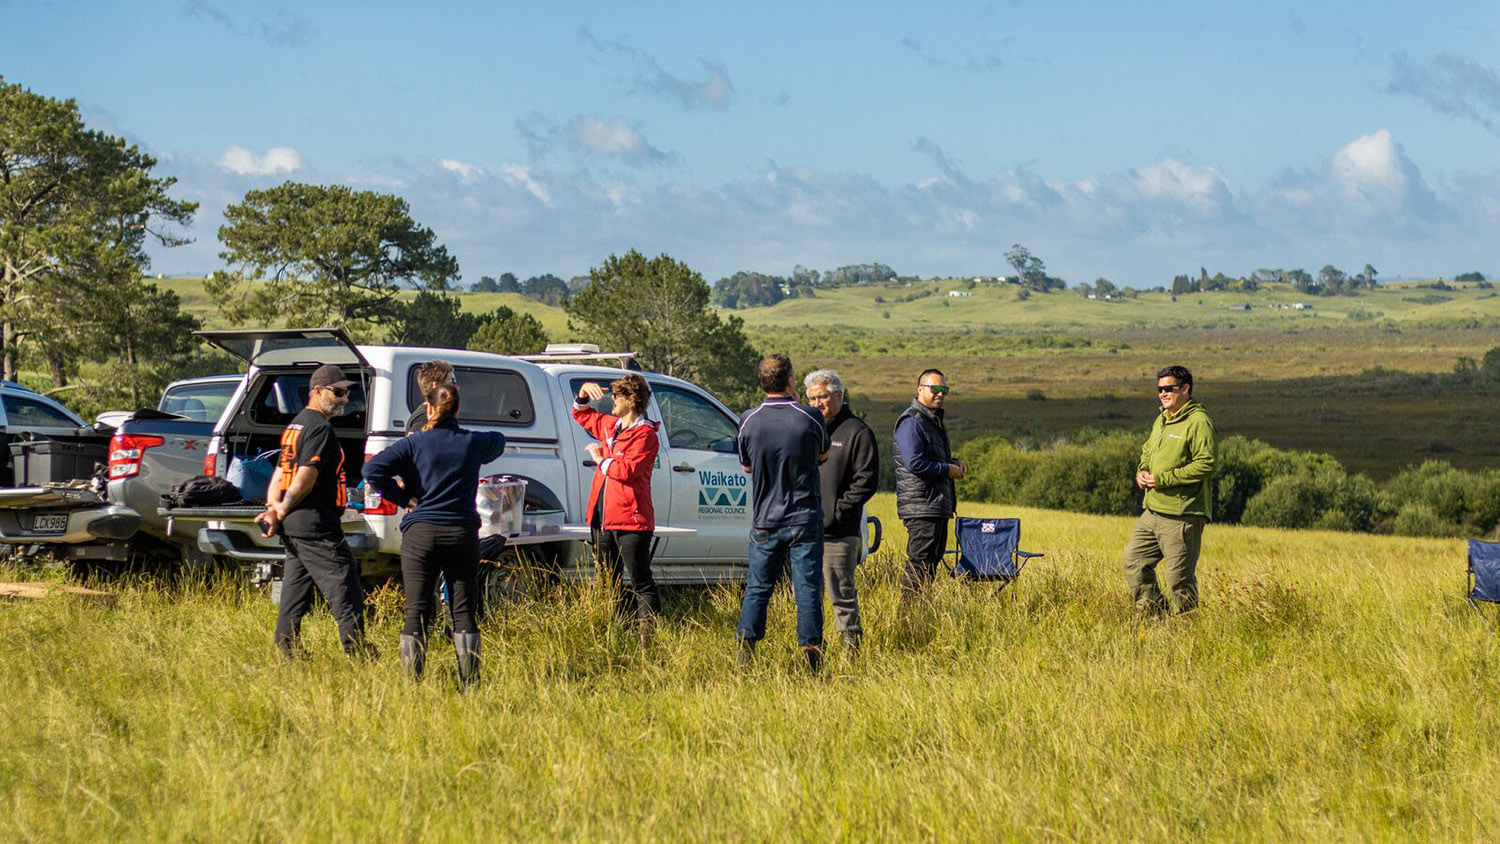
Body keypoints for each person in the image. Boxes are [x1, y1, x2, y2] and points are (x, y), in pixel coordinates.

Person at [361, 382, 506, 688]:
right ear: (456, 409)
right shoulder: (473, 443)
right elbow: (499, 440)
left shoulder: (414, 444)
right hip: (462, 534)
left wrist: (405, 500)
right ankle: (470, 685)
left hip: (421, 532)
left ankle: (413, 685)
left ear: (428, 408)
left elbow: (372, 470)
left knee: (417, 610)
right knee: (464, 611)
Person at [256, 364, 370, 658]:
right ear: (318, 391)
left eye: (346, 393)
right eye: (338, 392)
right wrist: (279, 509)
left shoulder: (296, 425)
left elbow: (281, 471)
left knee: (295, 591)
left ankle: (287, 648)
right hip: (315, 524)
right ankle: (358, 654)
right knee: (345, 587)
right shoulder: (319, 427)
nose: (345, 399)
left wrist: (274, 508)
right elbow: (305, 476)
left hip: (296, 524)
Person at [735, 353, 830, 673]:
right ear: (790, 381)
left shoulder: (749, 419)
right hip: (803, 515)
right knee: (807, 588)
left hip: (765, 517)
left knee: (758, 587)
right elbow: (824, 453)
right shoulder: (809, 417)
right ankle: (811, 656)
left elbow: (746, 464)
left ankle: (745, 654)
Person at [1121, 365, 1218, 616]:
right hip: (1152, 512)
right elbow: (1147, 451)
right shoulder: (1162, 419)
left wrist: (1163, 479)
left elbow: (1206, 464)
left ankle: (1186, 629)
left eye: (1169, 389)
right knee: (1133, 563)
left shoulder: (1199, 422)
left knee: (1179, 580)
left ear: (1185, 389)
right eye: (1159, 389)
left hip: (1181, 515)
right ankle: (1155, 618)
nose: (1163, 394)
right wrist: (1142, 471)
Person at [572, 374, 662, 639]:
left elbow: (627, 470)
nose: (612, 400)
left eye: (617, 395)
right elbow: (582, 416)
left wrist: (599, 458)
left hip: (631, 520)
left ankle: (648, 639)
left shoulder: (645, 435)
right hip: (602, 517)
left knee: (640, 580)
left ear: (632, 400)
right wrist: (583, 395)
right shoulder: (612, 426)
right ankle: (613, 634)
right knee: (607, 582)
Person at [803, 369, 878, 654]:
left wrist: (838, 512)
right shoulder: (809, 428)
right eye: (811, 398)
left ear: (838, 395)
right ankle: (814, 655)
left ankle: (851, 658)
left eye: (821, 397)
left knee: (842, 597)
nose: (816, 404)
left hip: (839, 533)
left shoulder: (857, 432)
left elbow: (866, 482)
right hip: (807, 530)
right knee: (809, 598)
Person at [892, 368, 966, 600]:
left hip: (935, 505)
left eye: (944, 389)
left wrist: (953, 463)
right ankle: (908, 617)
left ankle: (920, 614)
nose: (940, 394)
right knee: (920, 564)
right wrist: (947, 470)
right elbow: (914, 463)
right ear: (920, 389)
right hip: (921, 506)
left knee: (930, 564)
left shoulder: (931, 421)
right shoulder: (912, 422)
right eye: (935, 389)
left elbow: (930, 457)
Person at [406, 360, 455, 435]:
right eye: (451, 381)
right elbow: (416, 445)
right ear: (435, 385)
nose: (456, 387)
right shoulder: (424, 418)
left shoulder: (434, 415)